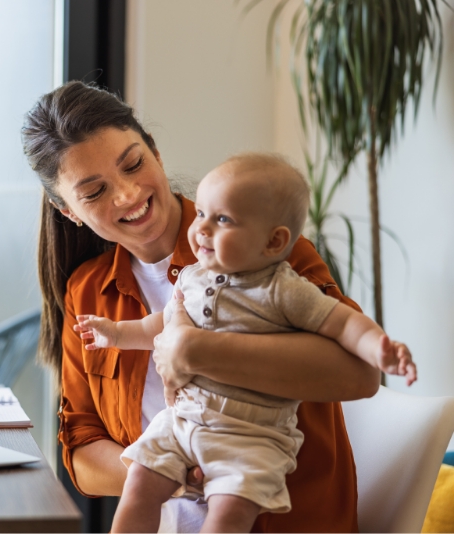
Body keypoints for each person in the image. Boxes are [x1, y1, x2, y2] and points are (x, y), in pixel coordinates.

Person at [21, 81, 390, 532]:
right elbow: (81, 451)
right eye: (94, 192)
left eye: (134, 164)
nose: (127, 195)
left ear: (155, 151)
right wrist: (174, 475)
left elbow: (359, 373)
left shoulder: (267, 249)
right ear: (69, 212)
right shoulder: (88, 291)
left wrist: (192, 351)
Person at [74, 153, 416, 533]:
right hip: (182, 421)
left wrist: (378, 347)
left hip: (251, 437)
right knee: (139, 480)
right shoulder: (191, 277)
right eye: (201, 213)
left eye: (222, 220)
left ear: (273, 241)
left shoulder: (284, 288)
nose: (201, 228)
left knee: (229, 514)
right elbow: (161, 325)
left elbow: (343, 324)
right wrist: (118, 333)